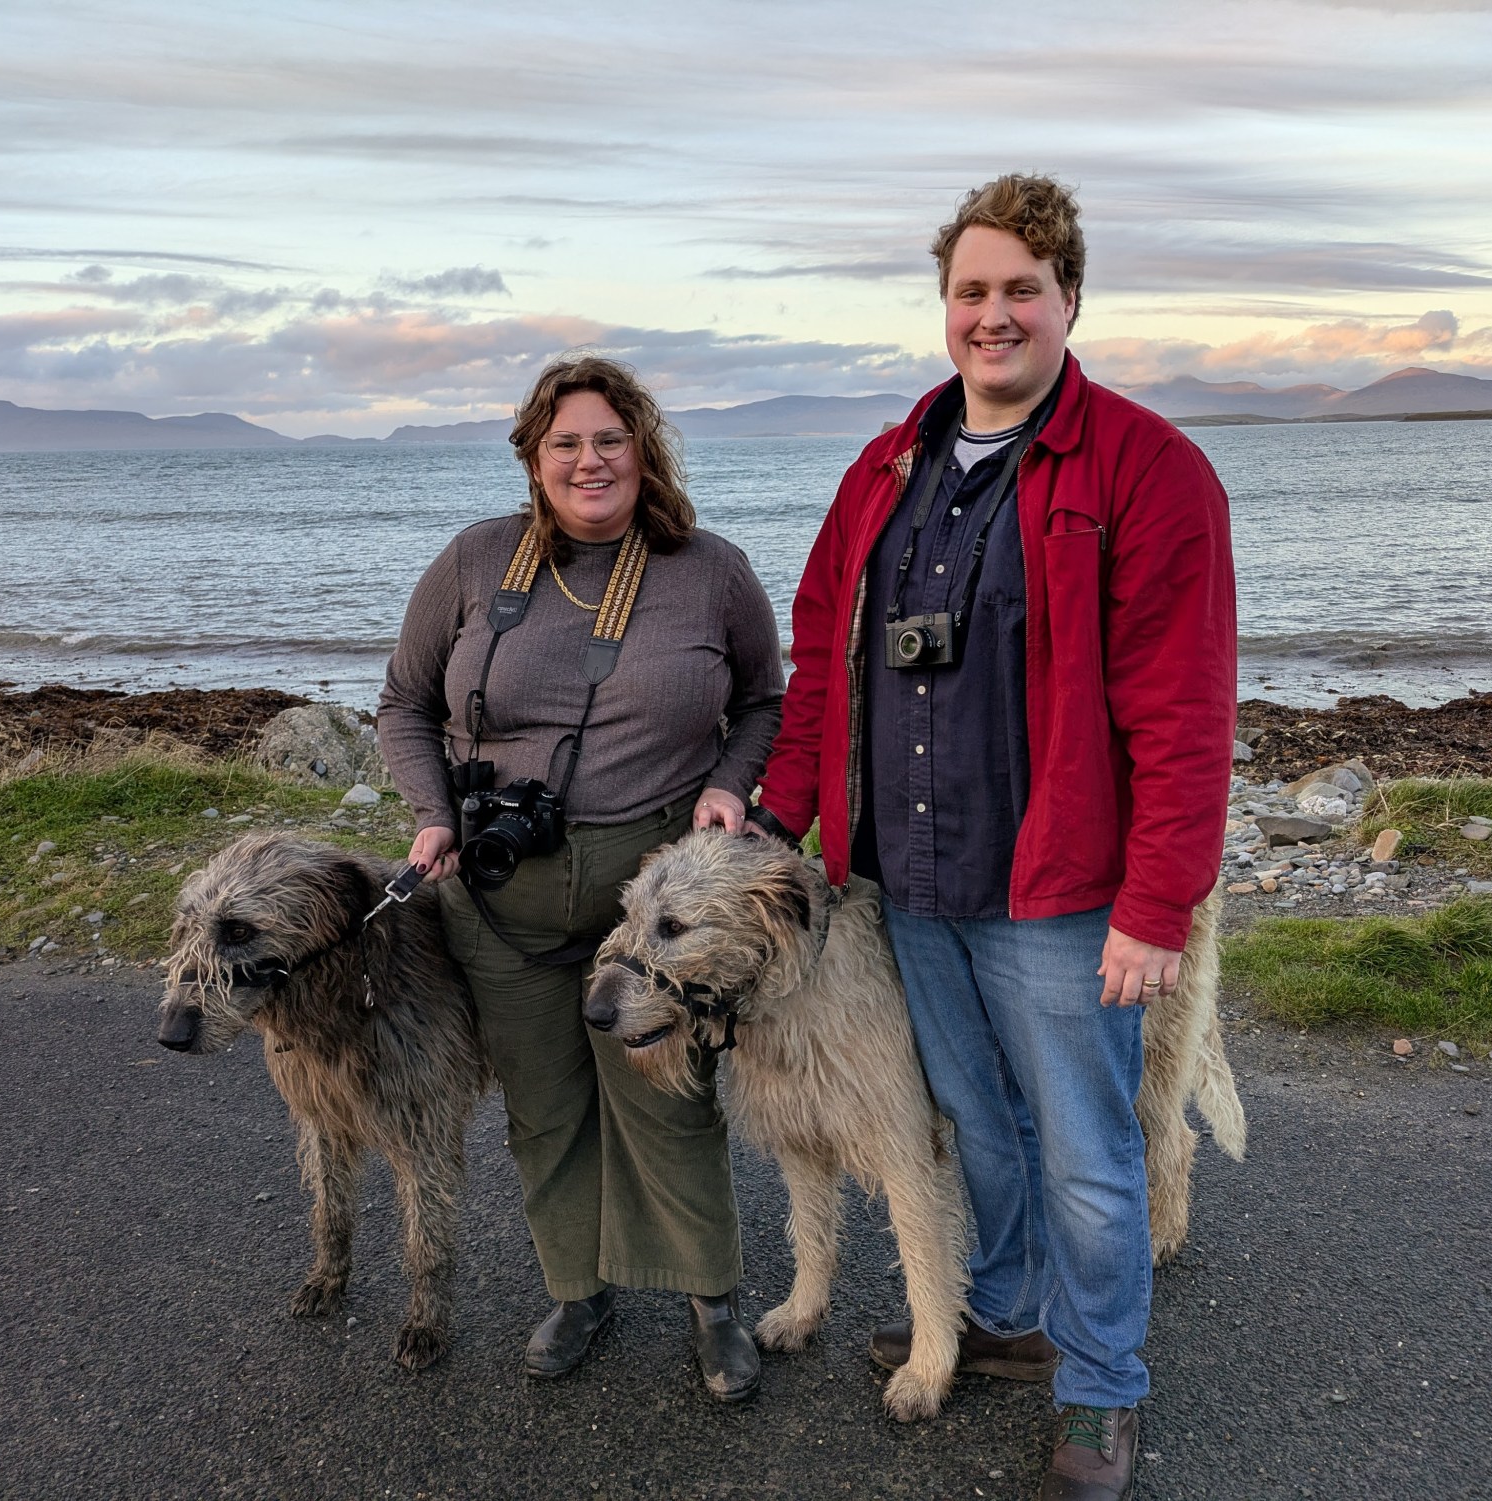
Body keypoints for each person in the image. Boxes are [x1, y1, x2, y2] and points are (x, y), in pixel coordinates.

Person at [749, 175, 1235, 1499]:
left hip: (1064, 887)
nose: (995, 313)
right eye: (972, 290)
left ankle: (1102, 1388)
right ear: (944, 307)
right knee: (979, 1118)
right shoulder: (884, 470)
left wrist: (1158, 901)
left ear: (1072, 298)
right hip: (910, 881)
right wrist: (775, 813)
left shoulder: (1147, 469)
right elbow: (822, 664)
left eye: (1023, 287)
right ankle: (1014, 1314)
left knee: (1087, 1143)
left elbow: (1183, 709)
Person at [377, 354, 784, 1401]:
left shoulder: (710, 569)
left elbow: (764, 704)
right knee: (544, 1104)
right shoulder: (475, 561)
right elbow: (402, 704)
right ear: (533, 457)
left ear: (642, 449)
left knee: (665, 1097)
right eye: (566, 443)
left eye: (610, 439)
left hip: (647, 895)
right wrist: (433, 816)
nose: (589, 460)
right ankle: (578, 1288)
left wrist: (729, 788)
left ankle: (711, 1302)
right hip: (497, 893)